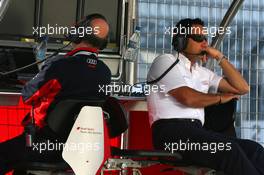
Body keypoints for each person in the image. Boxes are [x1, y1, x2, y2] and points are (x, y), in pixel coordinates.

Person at [147, 18, 264, 175]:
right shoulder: (165, 61)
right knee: (229, 150)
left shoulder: (202, 72)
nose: (204, 43)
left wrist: (219, 57)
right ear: (181, 40)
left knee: (254, 150)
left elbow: (242, 88)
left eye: (205, 38)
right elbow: (188, 98)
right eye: (198, 38)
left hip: (197, 131)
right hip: (171, 135)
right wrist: (220, 98)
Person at [0, 13, 111, 174]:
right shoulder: (105, 73)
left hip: (42, 145)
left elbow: (28, 96)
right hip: (78, 151)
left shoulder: (59, 66)